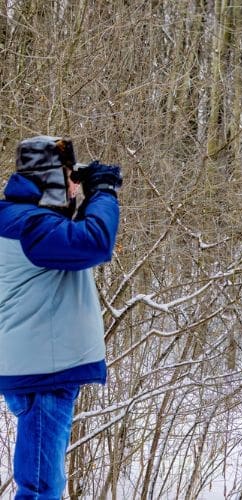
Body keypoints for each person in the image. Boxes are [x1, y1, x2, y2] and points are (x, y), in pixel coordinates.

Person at [0, 136, 122, 499]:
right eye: (69, 176)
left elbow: (75, 240)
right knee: (41, 487)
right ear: (50, 176)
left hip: (41, 365)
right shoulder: (30, 227)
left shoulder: (25, 221)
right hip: (42, 373)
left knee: (43, 482)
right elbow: (94, 242)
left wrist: (88, 197)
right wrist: (103, 191)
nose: (73, 185)